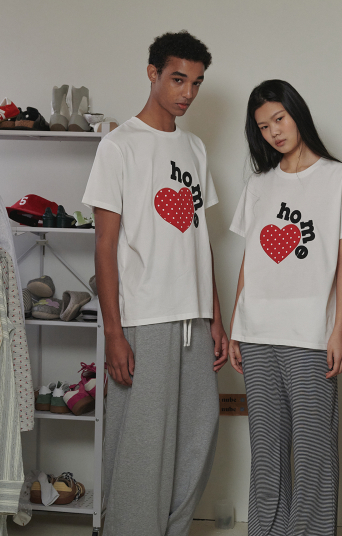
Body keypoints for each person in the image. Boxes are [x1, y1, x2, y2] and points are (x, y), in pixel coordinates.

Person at [82, 30, 229, 536]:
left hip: (195, 318)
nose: (188, 92)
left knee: (197, 438)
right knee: (141, 447)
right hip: (145, 317)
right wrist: (113, 333)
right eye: (178, 79)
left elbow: (200, 238)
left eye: (196, 83)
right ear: (153, 73)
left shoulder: (195, 148)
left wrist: (215, 316)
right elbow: (105, 246)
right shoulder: (118, 146)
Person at [229, 79, 342, 536]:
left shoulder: (340, 179)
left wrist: (338, 331)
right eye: (263, 126)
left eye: (279, 119)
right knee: (266, 449)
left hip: (310, 335)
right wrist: (235, 326)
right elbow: (250, 258)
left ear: (297, 114)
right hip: (257, 332)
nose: (274, 132)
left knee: (313, 452)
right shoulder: (259, 184)